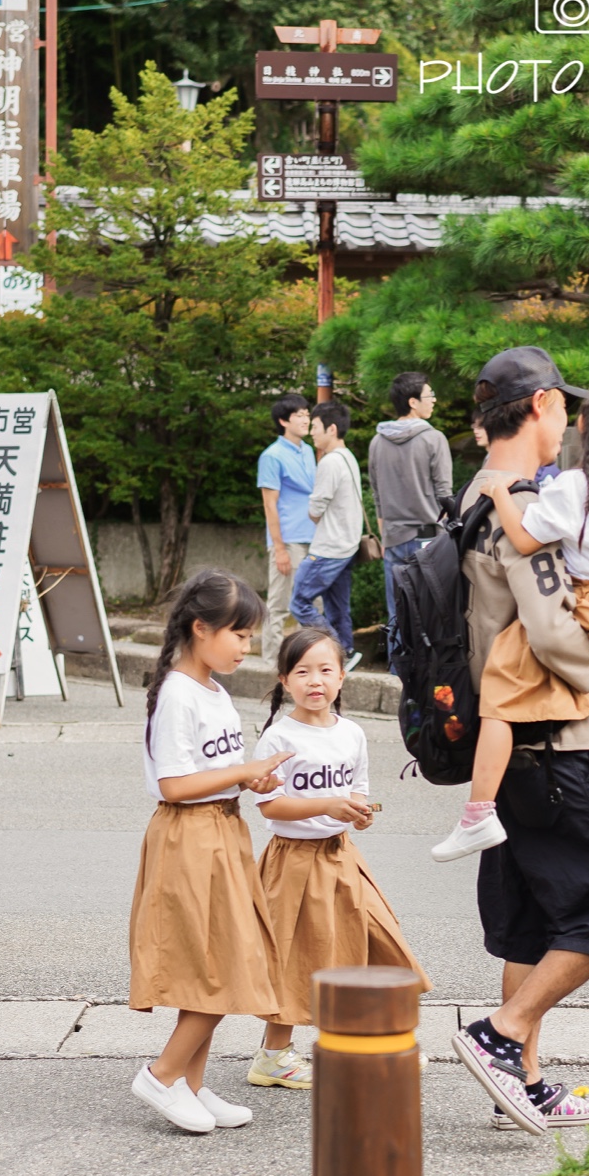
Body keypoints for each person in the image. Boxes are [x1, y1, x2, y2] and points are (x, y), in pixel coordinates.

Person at [444, 345, 589, 1135]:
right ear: (537, 407)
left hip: (509, 748)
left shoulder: (471, 497)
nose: (568, 418)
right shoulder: (522, 508)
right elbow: (559, 635)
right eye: (561, 405)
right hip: (556, 744)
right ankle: (500, 1037)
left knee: (533, 920)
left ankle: (522, 1083)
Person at [433, 373, 589, 863]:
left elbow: (527, 543)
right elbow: (560, 623)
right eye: (559, 407)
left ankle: (477, 811)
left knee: (498, 692)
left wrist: (499, 496)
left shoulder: (551, 490)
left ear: (585, 425)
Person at [128, 569, 291, 1135]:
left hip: (222, 830)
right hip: (190, 835)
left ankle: (188, 1086)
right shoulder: (178, 693)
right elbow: (174, 785)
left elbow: (211, 773)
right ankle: (161, 1074)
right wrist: (243, 770)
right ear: (201, 629)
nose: (248, 647)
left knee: (214, 964)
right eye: (240, 635)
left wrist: (250, 781)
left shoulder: (214, 691)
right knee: (220, 967)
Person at [247, 627, 430, 1090]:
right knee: (294, 956)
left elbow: (357, 791)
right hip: (293, 862)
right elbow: (271, 807)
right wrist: (327, 806)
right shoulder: (277, 738)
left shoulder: (352, 733)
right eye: (302, 671)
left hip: (342, 857)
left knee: (370, 943)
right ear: (284, 680)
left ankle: (373, 1035)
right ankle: (273, 1055)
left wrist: (359, 814)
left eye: (326, 670)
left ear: (342, 677)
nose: (315, 681)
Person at [367, 372, 453, 676]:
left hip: (393, 536)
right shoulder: (433, 439)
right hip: (428, 538)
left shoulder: (377, 442)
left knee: (396, 612)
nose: (433, 401)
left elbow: (376, 494)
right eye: (429, 396)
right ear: (413, 402)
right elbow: (445, 495)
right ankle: (428, 677)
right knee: (431, 612)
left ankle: (397, 678)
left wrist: (386, 531)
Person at [289, 401, 363, 667]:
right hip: (347, 546)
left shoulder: (330, 462)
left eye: (316, 427)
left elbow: (315, 508)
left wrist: (314, 513)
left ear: (332, 429)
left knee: (299, 602)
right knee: (337, 607)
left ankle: (334, 650)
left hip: (328, 548)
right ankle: (347, 653)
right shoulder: (348, 457)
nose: (312, 432)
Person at [256, 395, 317, 660]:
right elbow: (270, 505)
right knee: (279, 604)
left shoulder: (309, 450)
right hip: (288, 539)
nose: (306, 419)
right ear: (283, 420)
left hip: (314, 538)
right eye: (299, 415)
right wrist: (278, 547)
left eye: (307, 414)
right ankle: (270, 660)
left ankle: (312, 657)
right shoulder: (271, 456)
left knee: (313, 602)